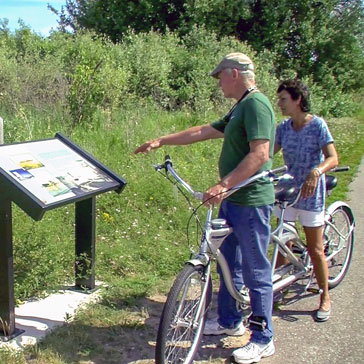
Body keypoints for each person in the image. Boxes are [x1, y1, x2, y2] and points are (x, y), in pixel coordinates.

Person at [134, 52, 276, 363]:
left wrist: (224, 184)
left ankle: (263, 337)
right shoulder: (240, 106)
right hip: (233, 201)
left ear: (234, 74)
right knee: (227, 262)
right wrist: (161, 141)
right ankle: (228, 321)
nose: (217, 82)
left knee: (255, 270)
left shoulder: (256, 104)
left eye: (219, 76)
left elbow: (261, 154)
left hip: (251, 202)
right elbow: (204, 131)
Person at [274, 79, 338, 322]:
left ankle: (324, 296)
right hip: (288, 192)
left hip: (311, 193)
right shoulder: (283, 127)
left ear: (297, 99)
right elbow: (270, 154)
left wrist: (317, 171)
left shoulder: (317, 125)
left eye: (283, 99)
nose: (279, 104)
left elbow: (332, 157)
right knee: (282, 244)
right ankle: (280, 285)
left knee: (315, 249)